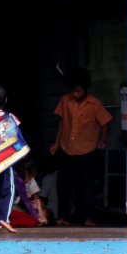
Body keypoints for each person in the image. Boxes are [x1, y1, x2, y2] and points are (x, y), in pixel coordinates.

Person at [50, 67, 111, 227]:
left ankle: (87, 217)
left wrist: (103, 139)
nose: (75, 94)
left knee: (86, 185)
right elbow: (62, 122)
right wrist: (56, 143)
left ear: (85, 88)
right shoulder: (65, 100)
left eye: (78, 91)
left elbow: (105, 123)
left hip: (87, 150)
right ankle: (63, 216)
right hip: (66, 148)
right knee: (63, 185)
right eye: (73, 91)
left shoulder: (94, 104)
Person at [0, 83, 36, 233]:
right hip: (5, 161)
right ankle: (4, 218)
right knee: (7, 190)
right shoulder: (10, 117)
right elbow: (16, 136)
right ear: (6, 100)